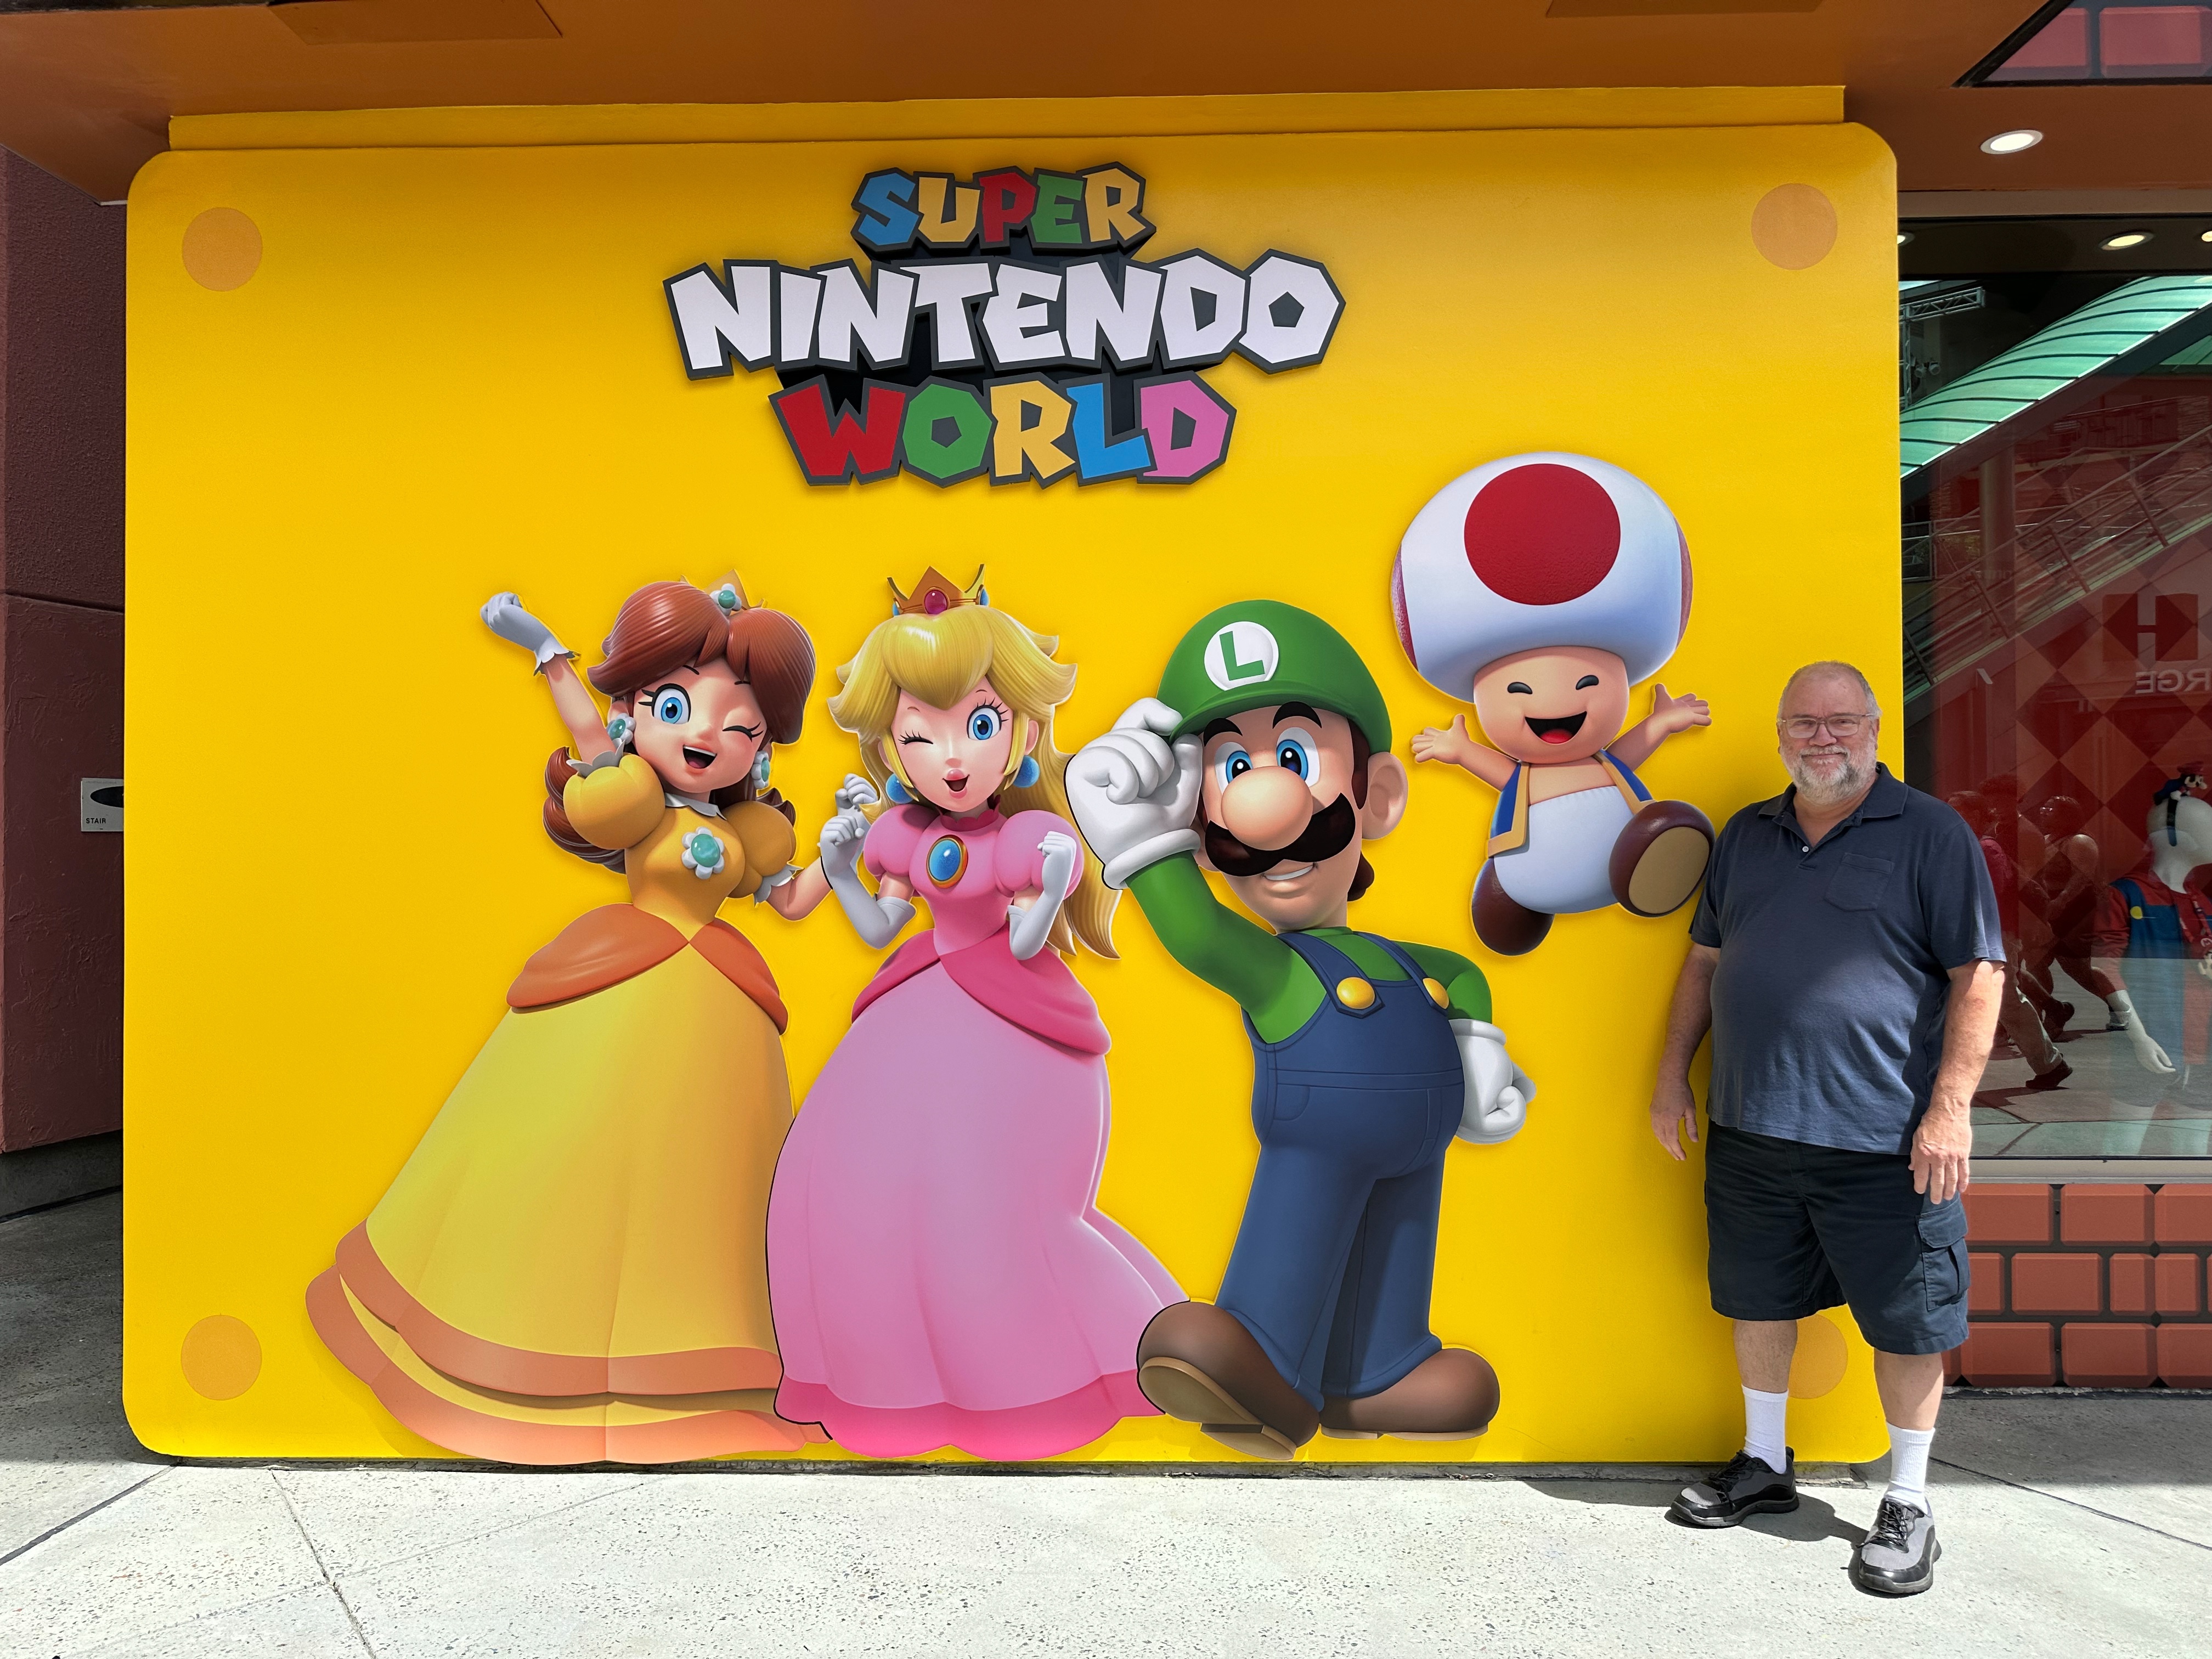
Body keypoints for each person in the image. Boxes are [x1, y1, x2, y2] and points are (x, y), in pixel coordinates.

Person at [307, 577, 830, 1464]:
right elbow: (589, 742)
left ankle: (697, 1349)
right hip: (622, 983)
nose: (707, 737)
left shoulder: (746, 834)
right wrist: (548, 652)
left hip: (720, 1012)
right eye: (677, 708)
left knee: (704, 1176)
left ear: (761, 748)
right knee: (568, 1149)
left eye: (740, 728)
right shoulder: (634, 800)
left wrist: (849, 854)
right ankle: (521, 1331)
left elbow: (790, 900)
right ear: (634, 712)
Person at [1067, 600, 1533, 1460]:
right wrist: (1136, 839)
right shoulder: (1277, 971)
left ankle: (1379, 1369)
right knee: (1301, 1224)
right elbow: (1199, 936)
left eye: (1292, 756)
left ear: (1376, 796)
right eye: (1232, 767)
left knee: (1400, 1244)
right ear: (1203, 826)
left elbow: (1462, 976)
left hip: (1420, 1150)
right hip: (1319, 1148)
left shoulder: (1406, 960)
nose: (1265, 804)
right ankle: (1268, 1363)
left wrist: (1479, 1045)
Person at [764, 566, 1181, 1460]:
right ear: (891, 750)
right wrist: (840, 871)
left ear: (1020, 731)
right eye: (921, 735)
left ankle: (1045, 1375)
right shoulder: (903, 837)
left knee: (990, 1198)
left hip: (1012, 1011)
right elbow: (880, 927)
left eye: (978, 727)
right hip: (916, 1006)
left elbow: (1025, 942)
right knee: (855, 1179)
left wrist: (1053, 889)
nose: (952, 759)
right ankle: (890, 1382)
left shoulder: (1026, 838)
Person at [1647, 661, 2002, 1597]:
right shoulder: (1746, 835)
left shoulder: (1931, 833)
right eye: (1804, 722)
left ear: (1875, 729)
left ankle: (1909, 1502)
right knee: (1758, 1299)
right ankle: (1766, 1463)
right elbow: (1703, 962)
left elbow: (1979, 975)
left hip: (1886, 1138)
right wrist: (1671, 1075)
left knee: (1909, 1318)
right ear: (1781, 735)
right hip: (1753, 1126)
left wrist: (1950, 1109)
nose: (1823, 738)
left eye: (1842, 721)